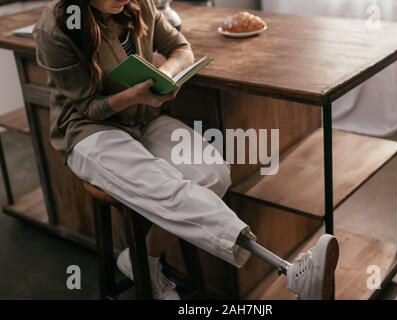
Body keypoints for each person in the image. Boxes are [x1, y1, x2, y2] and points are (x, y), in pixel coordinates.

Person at [33, 0, 339, 300]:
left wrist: (164, 74)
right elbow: (89, 107)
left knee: (212, 173)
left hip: (143, 117)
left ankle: (143, 262)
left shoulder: (139, 4)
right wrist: (133, 95)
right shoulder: (57, 26)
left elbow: (180, 47)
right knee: (166, 185)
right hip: (89, 130)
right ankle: (289, 271)